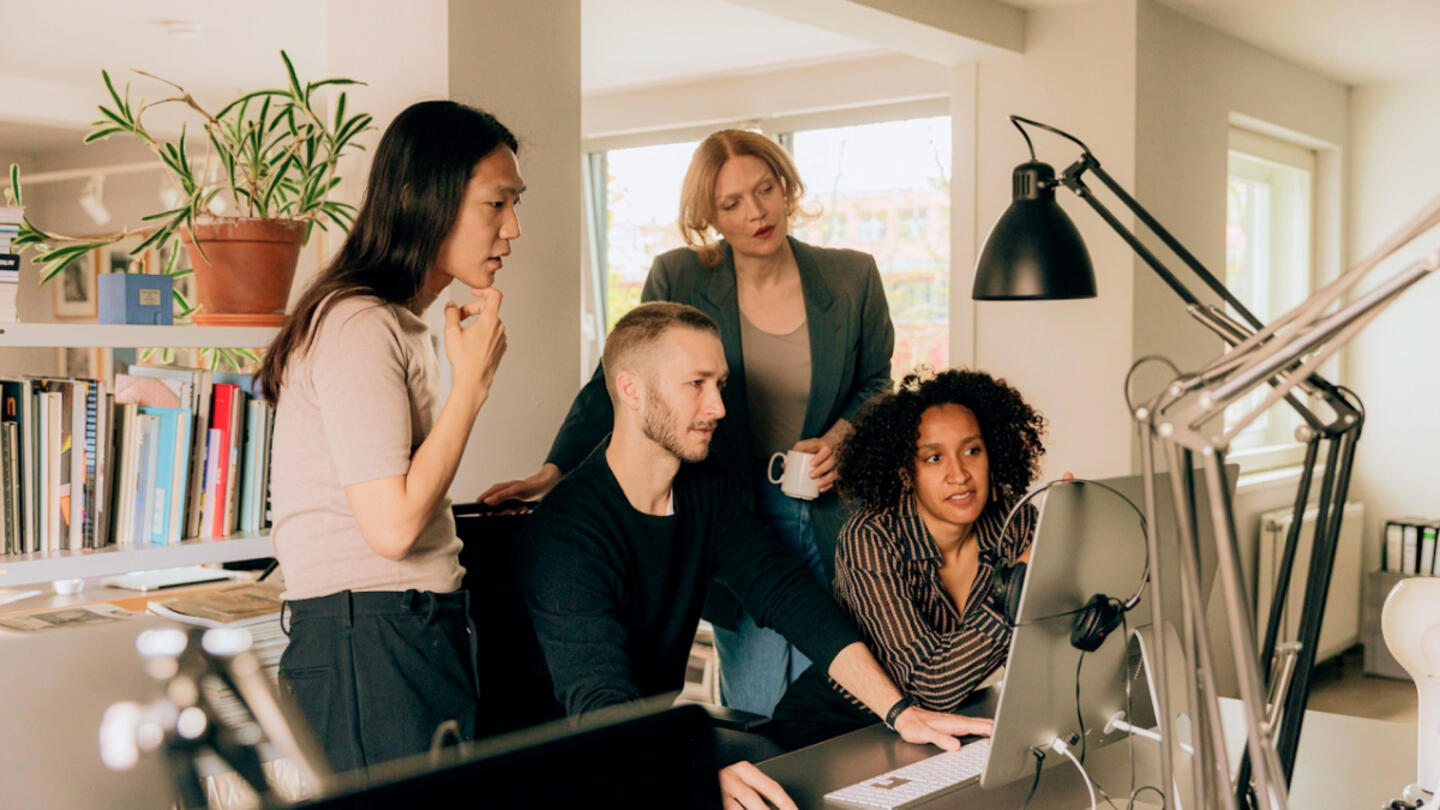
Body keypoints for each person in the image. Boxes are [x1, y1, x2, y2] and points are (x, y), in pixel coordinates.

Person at [484, 129, 895, 717]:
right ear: (709, 216)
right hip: (730, 493)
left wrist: (839, 436)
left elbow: (877, 381)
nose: (756, 212)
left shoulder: (851, 276)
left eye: (766, 189)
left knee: (829, 690)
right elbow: (625, 376)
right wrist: (556, 470)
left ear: (787, 187)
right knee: (753, 695)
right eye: (732, 203)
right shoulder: (680, 276)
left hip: (822, 501)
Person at [521, 303, 990, 810]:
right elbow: (599, 705)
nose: (719, 407)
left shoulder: (702, 488)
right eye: (696, 384)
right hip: (572, 765)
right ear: (632, 391)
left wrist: (899, 712)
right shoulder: (566, 533)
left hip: (647, 744)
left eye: (719, 384)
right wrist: (694, 774)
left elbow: (787, 594)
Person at [259, 100, 519, 773]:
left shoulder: (397, 324)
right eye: (497, 203)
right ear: (419, 199)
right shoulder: (357, 325)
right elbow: (393, 528)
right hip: (369, 643)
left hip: (404, 633)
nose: (512, 228)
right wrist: (472, 385)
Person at [766, 368, 1049, 750]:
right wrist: (1019, 585)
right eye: (933, 458)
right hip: (836, 727)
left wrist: (1070, 544)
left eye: (972, 451)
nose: (959, 474)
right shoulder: (871, 537)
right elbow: (930, 688)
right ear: (904, 474)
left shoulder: (1013, 524)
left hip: (936, 728)